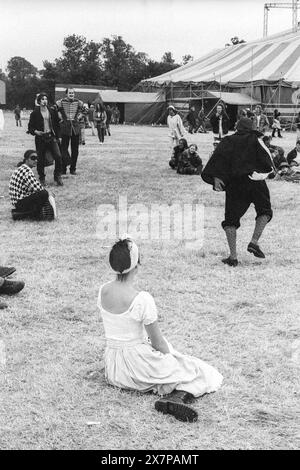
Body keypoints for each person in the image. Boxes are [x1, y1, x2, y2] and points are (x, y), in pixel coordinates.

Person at [97, 236, 223, 422]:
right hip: (136, 366)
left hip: (114, 369)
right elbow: (157, 342)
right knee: (199, 371)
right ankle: (177, 397)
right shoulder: (141, 299)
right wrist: (172, 359)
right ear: (137, 265)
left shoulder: (103, 290)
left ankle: (174, 394)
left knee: (182, 365)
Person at [201, 117, 274, 266]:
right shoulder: (257, 139)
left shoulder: (228, 141)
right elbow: (269, 161)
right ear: (251, 127)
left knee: (230, 221)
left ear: (237, 127)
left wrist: (215, 178)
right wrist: (267, 172)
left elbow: (217, 159)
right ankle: (254, 241)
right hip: (256, 182)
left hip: (236, 185)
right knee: (265, 211)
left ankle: (233, 257)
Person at [9, 149, 56, 221]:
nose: (36, 160)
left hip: (17, 202)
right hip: (20, 203)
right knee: (44, 193)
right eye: (33, 158)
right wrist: (49, 193)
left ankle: (20, 214)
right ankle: (32, 215)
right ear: (26, 159)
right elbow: (38, 188)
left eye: (37, 158)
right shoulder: (26, 171)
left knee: (42, 193)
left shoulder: (21, 168)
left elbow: (33, 187)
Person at [28, 93, 63, 186]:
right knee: (40, 159)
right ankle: (42, 178)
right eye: (42, 99)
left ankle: (57, 176)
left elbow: (57, 125)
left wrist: (59, 136)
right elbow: (30, 128)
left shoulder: (52, 111)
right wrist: (36, 132)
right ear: (39, 101)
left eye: (46, 99)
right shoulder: (35, 113)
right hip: (40, 138)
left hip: (51, 137)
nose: (45, 101)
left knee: (58, 156)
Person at [55, 88, 86, 175]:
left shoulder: (79, 102)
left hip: (75, 129)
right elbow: (54, 110)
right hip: (64, 128)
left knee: (75, 150)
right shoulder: (60, 102)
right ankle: (63, 169)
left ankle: (73, 169)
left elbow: (85, 111)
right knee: (63, 149)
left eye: (73, 93)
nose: (71, 94)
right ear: (66, 94)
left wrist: (79, 117)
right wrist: (60, 117)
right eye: (70, 93)